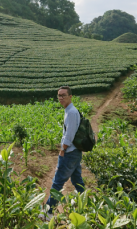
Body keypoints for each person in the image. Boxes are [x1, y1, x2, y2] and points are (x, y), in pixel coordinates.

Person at [44, 86, 85, 218]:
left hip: (69, 153)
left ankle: (48, 212)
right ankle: (87, 204)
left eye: (63, 95)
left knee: (57, 182)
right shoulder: (69, 110)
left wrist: (63, 150)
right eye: (59, 95)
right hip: (75, 152)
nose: (61, 98)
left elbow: (69, 135)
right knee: (77, 180)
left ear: (70, 96)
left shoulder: (72, 112)